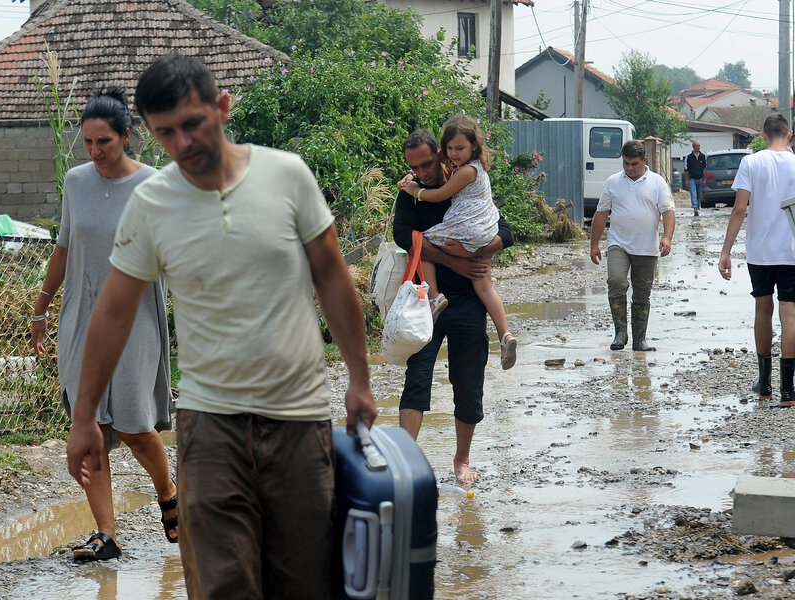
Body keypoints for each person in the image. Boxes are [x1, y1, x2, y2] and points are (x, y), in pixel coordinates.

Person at [65, 55, 376, 599]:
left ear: (222, 108)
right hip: (209, 426)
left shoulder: (287, 176)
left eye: (193, 124)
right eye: (166, 133)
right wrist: (85, 415)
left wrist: (359, 378)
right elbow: (113, 311)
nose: (182, 142)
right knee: (219, 585)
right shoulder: (153, 204)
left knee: (304, 582)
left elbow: (331, 275)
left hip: (298, 418)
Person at [30, 88, 176, 561]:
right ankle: (106, 534)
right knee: (87, 422)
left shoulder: (155, 185)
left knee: (135, 426)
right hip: (81, 314)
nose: (95, 152)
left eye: (104, 142)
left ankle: (168, 493)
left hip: (136, 317)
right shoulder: (75, 182)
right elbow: (64, 247)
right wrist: (41, 307)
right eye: (88, 142)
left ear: (127, 137)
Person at [394, 129, 514, 485]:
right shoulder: (412, 194)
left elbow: (504, 231)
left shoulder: (466, 182)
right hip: (424, 303)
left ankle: (462, 462)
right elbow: (405, 237)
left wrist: (477, 251)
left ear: (443, 156)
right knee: (417, 380)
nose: (422, 173)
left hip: (467, 303)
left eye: (428, 163)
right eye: (415, 167)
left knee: (468, 383)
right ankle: (407, 463)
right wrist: (456, 263)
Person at [400, 116, 517, 370]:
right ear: (445, 150)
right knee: (486, 288)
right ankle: (505, 335)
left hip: (469, 230)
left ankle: (434, 297)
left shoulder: (465, 171)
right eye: (451, 149)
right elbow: (401, 232)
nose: (454, 154)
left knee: (423, 241)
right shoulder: (467, 167)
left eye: (460, 148)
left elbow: (440, 195)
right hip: (483, 228)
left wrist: (415, 191)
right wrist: (411, 177)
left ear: (474, 146)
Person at [719, 113, 795, 407]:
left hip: (760, 252)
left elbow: (739, 209)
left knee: (763, 308)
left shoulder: (751, 162)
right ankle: (788, 392)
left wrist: (726, 251)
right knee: (790, 314)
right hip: (791, 251)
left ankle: (764, 386)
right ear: (788, 135)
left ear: (763, 136)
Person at [590, 140, 675, 352]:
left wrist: (667, 238)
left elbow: (668, 212)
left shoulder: (657, 182)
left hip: (647, 247)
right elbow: (601, 214)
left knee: (642, 292)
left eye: (634, 164)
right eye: (626, 163)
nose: (629, 168)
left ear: (644, 161)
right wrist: (594, 244)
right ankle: (620, 333)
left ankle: (639, 339)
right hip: (619, 243)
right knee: (616, 281)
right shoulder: (612, 182)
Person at [685, 140, 707, 217]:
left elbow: (704, 168)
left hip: (700, 178)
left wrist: (705, 179)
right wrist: (686, 180)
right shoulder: (689, 157)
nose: (698, 147)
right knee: (693, 194)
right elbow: (686, 169)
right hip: (692, 179)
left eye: (699, 146)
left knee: (699, 195)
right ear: (693, 147)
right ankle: (695, 209)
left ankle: (697, 206)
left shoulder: (702, 156)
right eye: (697, 146)